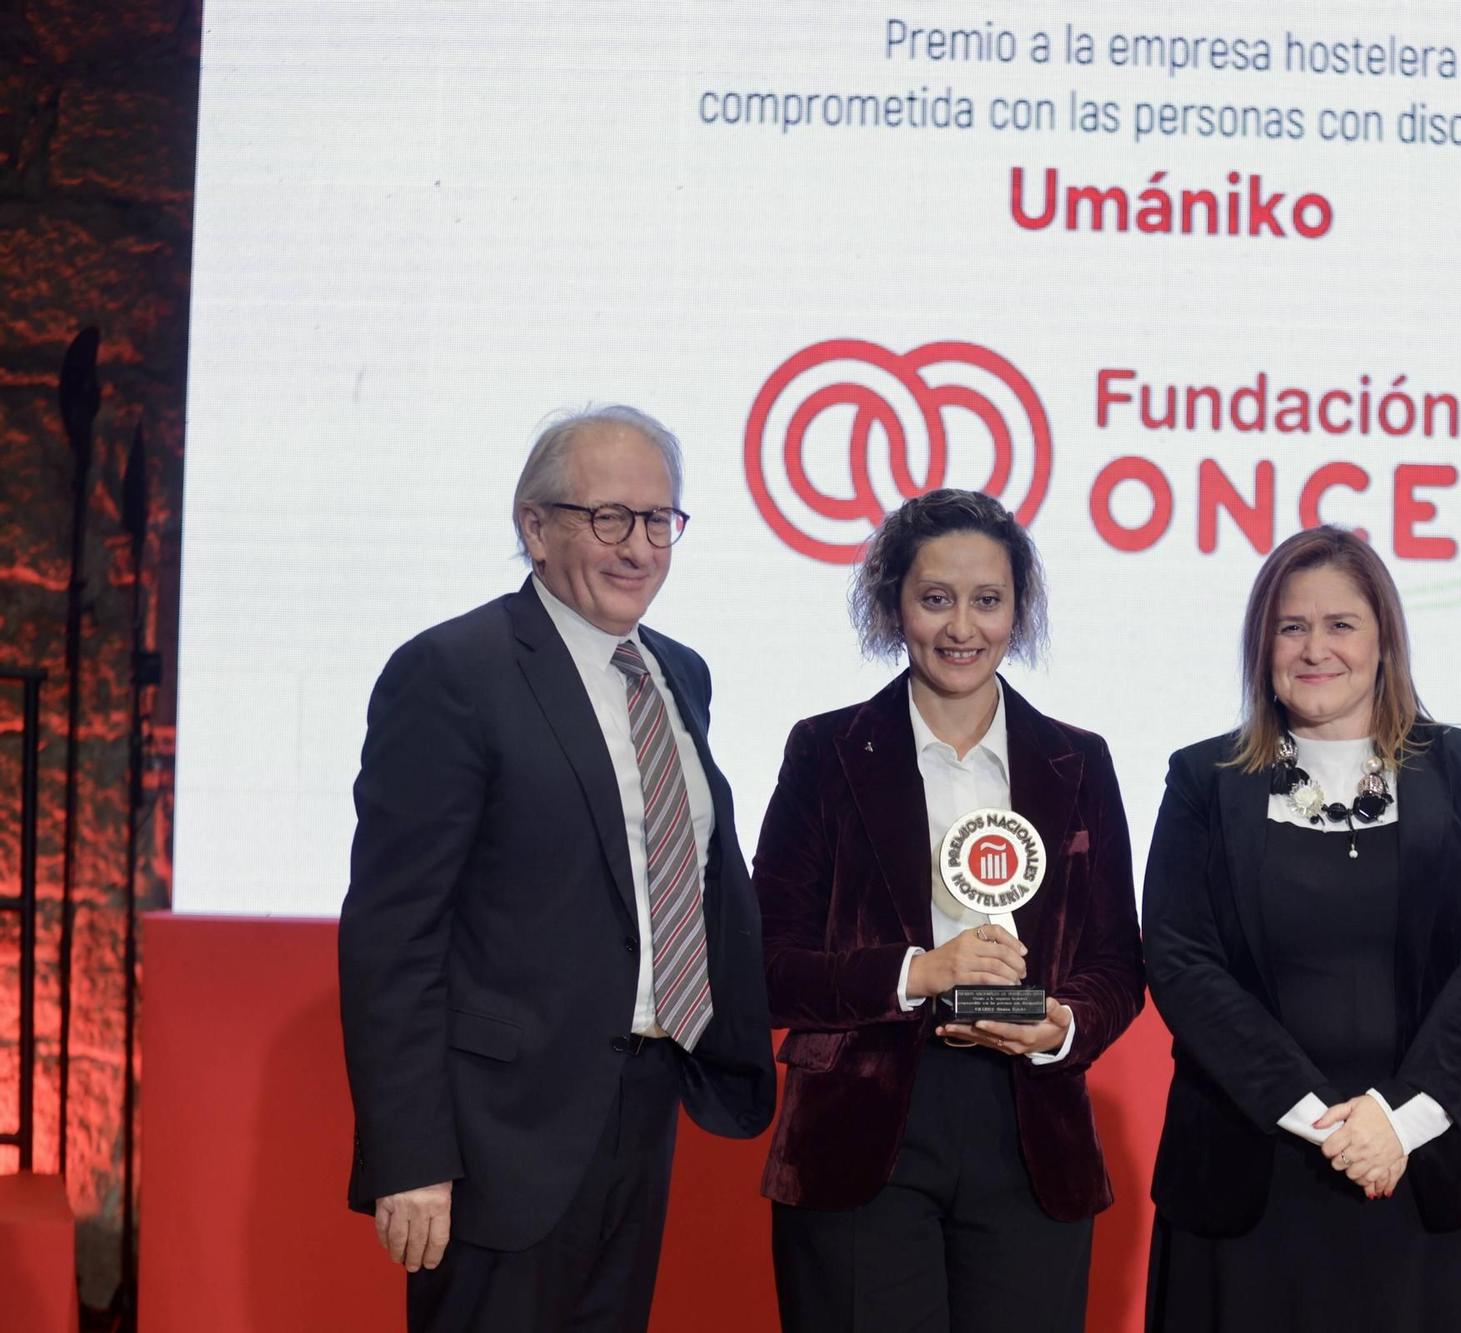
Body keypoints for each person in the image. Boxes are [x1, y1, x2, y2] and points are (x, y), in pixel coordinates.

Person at [338, 405, 775, 1332]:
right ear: (533, 527)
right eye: (608, 517)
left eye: (659, 520)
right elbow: (393, 934)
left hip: (641, 1107)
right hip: (500, 1132)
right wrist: (409, 1156)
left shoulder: (679, 673)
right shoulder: (453, 671)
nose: (639, 546)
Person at [752, 489, 1145, 1333]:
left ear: (1018, 609)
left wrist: (1062, 1025)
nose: (962, 627)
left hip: (1030, 1126)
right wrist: (918, 972)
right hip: (861, 1128)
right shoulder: (825, 752)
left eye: (988, 600)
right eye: (936, 598)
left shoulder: (1078, 761)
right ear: (893, 603)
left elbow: (1117, 960)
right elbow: (765, 962)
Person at [1142, 525, 1461, 1331]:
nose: (1315, 647)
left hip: (1423, 1176)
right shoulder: (1201, 782)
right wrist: (1317, 1115)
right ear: (1264, 646)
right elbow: (1181, 960)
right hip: (1250, 1185)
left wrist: (1397, 1121)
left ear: (1384, 638)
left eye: (1341, 624)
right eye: (1291, 626)